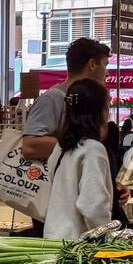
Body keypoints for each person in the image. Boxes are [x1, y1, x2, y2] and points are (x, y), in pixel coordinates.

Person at [20, 38, 118, 234]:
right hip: (76, 235)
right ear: (92, 64)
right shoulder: (52, 99)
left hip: (58, 228)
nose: (107, 73)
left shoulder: (72, 149)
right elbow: (29, 146)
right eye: (105, 64)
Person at [42, 80, 115, 240]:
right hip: (77, 244)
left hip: (53, 237)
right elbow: (93, 205)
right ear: (99, 111)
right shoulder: (93, 149)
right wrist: (107, 238)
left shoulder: (61, 147)